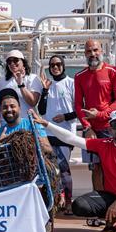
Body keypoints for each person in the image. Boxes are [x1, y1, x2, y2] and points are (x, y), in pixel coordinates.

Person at [32, 109, 116, 232]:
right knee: (79, 206)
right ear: (109, 129)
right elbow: (72, 139)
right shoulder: (103, 145)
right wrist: (46, 124)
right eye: (115, 125)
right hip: (111, 196)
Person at [74, 39, 116, 191]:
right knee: (95, 167)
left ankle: (114, 202)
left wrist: (102, 115)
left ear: (101, 51)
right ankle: (98, 204)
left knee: (113, 167)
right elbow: (78, 105)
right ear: (85, 54)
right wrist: (87, 127)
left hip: (111, 128)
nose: (93, 54)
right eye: (89, 51)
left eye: (95, 50)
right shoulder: (80, 76)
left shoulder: (114, 72)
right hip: (92, 131)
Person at [37, 55, 77, 213]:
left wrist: (65, 117)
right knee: (50, 169)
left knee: (64, 168)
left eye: (58, 64)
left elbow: (79, 109)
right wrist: (45, 90)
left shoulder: (71, 83)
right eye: (52, 65)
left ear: (63, 65)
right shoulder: (47, 84)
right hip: (48, 133)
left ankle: (68, 202)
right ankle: (54, 201)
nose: (55, 67)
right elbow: (41, 111)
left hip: (65, 133)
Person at [0, 89, 52, 156]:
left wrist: (33, 142)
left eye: (12, 106)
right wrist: (1, 145)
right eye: (5, 107)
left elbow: (49, 149)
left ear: (19, 107)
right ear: (1, 110)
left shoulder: (33, 125)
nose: (9, 110)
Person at [0, 50, 42, 118]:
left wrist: (21, 85)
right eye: (9, 61)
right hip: (8, 124)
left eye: (15, 60)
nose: (12, 63)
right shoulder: (1, 82)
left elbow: (33, 102)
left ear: (23, 62)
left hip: (28, 123)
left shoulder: (32, 78)